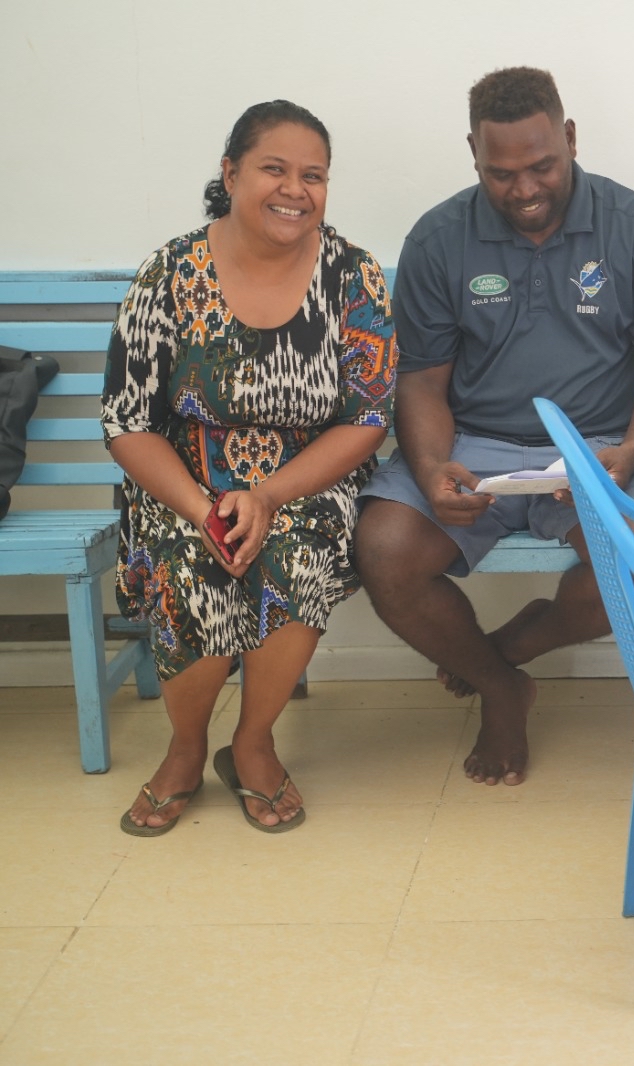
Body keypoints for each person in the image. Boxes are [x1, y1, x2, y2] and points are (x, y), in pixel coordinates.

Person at [355, 67, 634, 787]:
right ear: (473, 155)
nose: (524, 189)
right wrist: (430, 468)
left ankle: (514, 647)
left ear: (569, 138)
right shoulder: (439, 238)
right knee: (383, 549)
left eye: (541, 165)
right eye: (501, 173)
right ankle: (500, 687)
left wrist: (631, 453)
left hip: (600, 445)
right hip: (473, 444)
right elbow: (422, 379)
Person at [105, 100, 396, 835]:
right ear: (230, 173)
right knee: (192, 556)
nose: (295, 189)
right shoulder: (168, 272)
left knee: (296, 552)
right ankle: (184, 749)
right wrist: (202, 506)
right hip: (183, 480)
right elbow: (128, 421)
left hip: (307, 481)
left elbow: (367, 417)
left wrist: (266, 495)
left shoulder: (352, 275)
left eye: (313, 175)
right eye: (274, 169)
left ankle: (254, 744)